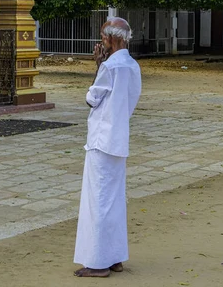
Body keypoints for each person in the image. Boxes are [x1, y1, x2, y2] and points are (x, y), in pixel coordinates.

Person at [73, 17, 142, 278]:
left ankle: (99, 262)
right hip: (119, 138)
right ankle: (115, 258)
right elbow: (129, 101)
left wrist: (98, 65)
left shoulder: (110, 66)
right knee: (113, 200)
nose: (101, 42)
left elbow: (91, 99)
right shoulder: (133, 66)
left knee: (98, 200)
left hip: (102, 140)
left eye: (103, 37)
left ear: (113, 39)